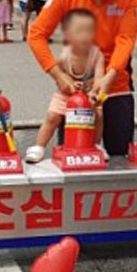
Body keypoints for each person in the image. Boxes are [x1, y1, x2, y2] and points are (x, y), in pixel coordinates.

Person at [28, 0, 137, 157]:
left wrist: (108, 77)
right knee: (74, 155)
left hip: (115, 86)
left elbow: (126, 39)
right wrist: (59, 75)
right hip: (74, 90)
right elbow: (36, 34)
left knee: (119, 156)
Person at [25, 9, 104, 163]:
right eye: (79, 31)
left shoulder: (97, 55)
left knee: (99, 116)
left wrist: (96, 92)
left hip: (89, 95)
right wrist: (67, 82)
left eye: (89, 31)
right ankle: (39, 146)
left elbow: (100, 77)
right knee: (52, 116)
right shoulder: (64, 56)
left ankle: (96, 145)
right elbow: (58, 76)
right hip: (65, 94)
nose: (84, 36)